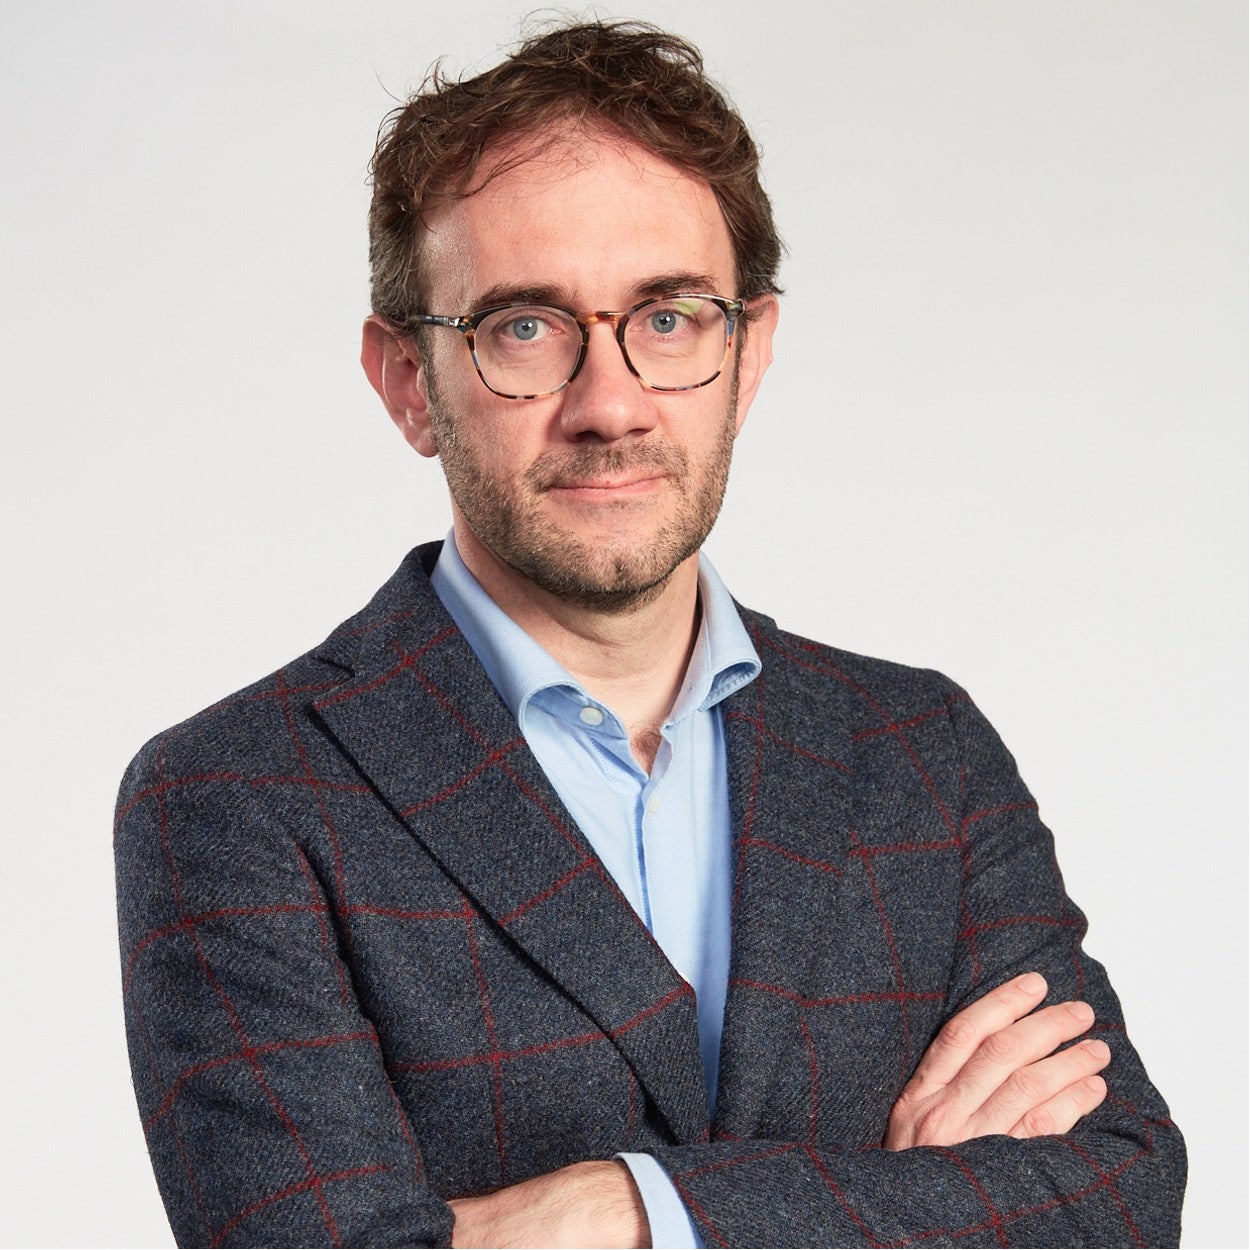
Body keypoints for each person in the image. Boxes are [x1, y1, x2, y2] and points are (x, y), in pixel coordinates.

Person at [114, 20, 1185, 1248]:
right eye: (523, 326)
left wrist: (628, 1207)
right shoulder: (234, 796)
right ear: (408, 380)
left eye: (668, 318)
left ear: (749, 350)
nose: (609, 402)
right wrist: (900, 1205)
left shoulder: (920, 750)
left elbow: (1120, 1199)